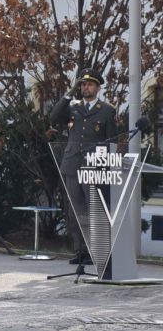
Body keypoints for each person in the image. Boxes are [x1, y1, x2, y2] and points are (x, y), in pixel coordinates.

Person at [47, 68, 143, 266]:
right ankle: (80, 251)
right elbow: (54, 117)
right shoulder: (72, 107)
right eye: (83, 84)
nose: (85, 87)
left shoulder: (107, 110)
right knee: (76, 211)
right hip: (72, 165)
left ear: (98, 88)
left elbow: (111, 142)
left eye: (89, 84)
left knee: (94, 211)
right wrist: (69, 92)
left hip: (94, 167)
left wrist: (108, 167)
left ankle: (95, 251)